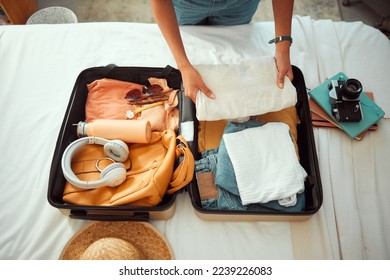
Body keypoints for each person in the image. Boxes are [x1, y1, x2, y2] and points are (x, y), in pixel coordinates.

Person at [150, 0, 294, 103]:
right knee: (190, 36)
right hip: (187, 5)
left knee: (235, 36)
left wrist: (283, 49)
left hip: (239, 5)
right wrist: (184, 66)